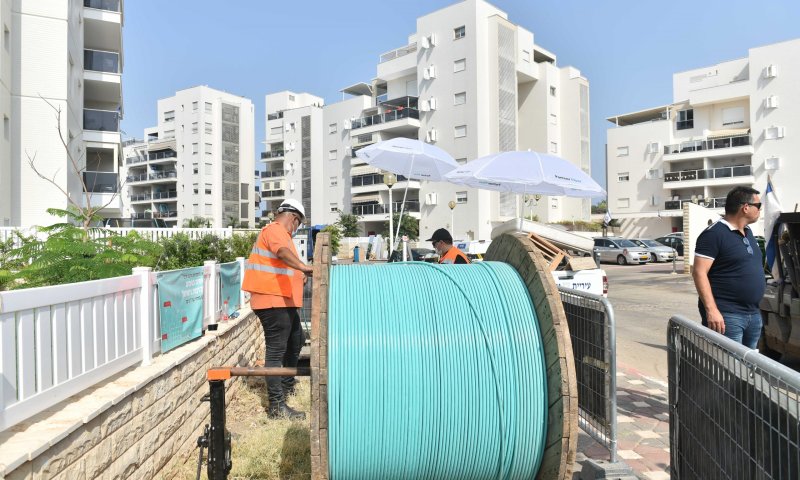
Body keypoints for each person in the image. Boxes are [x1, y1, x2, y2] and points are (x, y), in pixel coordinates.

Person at [242, 198, 313, 419]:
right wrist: (304, 267)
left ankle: (286, 386)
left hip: (282, 299)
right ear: (293, 218)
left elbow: (281, 265)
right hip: (272, 301)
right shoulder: (276, 230)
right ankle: (276, 406)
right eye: (298, 224)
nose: (296, 229)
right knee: (276, 350)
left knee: (297, 340)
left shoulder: (282, 234)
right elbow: (281, 252)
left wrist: (298, 274)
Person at [692, 186, 765, 348]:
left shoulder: (748, 232)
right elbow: (699, 273)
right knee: (728, 368)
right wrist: (711, 310)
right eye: (758, 206)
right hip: (726, 316)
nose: (760, 210)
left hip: (752, 314)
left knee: (748, 368)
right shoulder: (714, 234)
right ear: (745, 208)